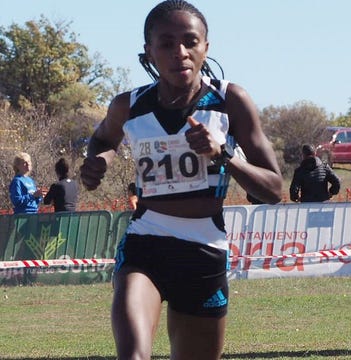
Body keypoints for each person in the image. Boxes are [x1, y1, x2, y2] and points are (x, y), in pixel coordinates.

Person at [80, 1, 282, 359]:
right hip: (147, 241)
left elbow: (273, 189)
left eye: (190, 41)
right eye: (167, 43)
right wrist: (97, 161)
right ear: (149, 51)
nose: (180, 53)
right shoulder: (128, 105)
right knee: (133, 355)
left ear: (206, 46)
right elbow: (102, 139)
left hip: (204, 248)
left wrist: (223, 154)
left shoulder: (229, 100)